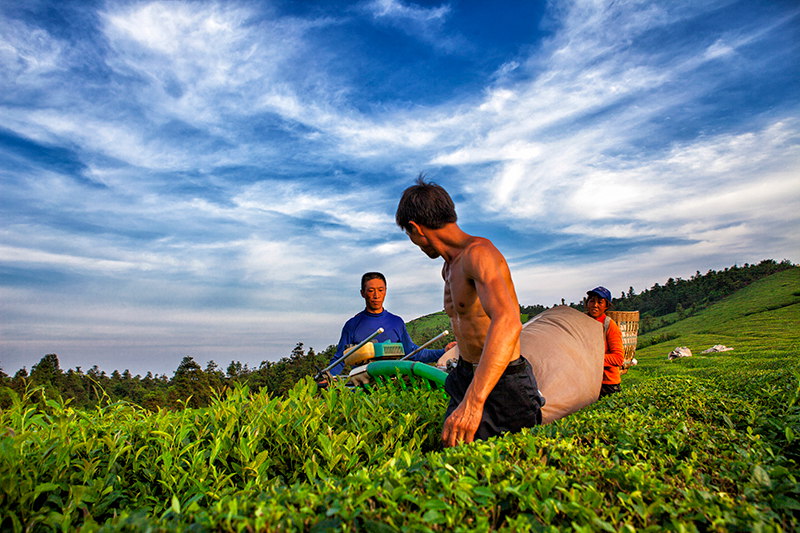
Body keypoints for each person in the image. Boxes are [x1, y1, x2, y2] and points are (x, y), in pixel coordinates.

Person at [396, 176, 543, 447]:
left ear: (416, 229)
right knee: (454, 464)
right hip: (465, 375)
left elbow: (509, 322)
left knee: (511, 473)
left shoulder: (480, 254)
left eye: (409, 236)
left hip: (503, 382)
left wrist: (474, 403)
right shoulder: (449, 267)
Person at [327, 272, 455, 375]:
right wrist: (327, 376)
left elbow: (413, 353)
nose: (376, 295)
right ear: (363, 293)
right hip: (361, 385)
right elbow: (341, 359)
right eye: (371, 290)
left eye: (380, 290)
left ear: (386, 291)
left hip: (391, 385)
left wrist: (443, 351)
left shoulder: (396, 322)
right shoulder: (352, 325)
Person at [584, 286, 624, 398]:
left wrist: (591, 359)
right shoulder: (581, 322)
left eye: (600, 302)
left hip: (607, 384)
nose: (595, 305)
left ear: (606, 306)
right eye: (592, 301)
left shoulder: (610, 326)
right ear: (587, 303)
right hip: (587, 382)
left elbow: (618, 358)